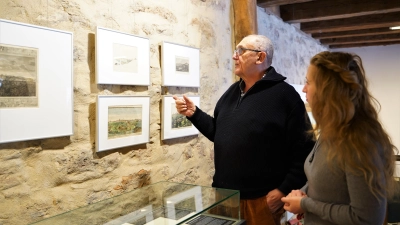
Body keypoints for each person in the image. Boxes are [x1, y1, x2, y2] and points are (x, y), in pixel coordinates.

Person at [173, 34, 315, 225]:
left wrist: (282, 190)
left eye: (241, 51)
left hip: (260, 201)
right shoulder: (232, 92)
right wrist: (194, 113)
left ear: (260, 57)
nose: (234, 56)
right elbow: (220, 133)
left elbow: (305, 150)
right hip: (224, 197)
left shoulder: (285, 96)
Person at [281, 51, 398, 225]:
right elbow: (326, 185)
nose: (304, 88)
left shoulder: (359, 143)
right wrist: (302, 193)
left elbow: (368, 219)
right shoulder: (330, 130)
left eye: (308, 82)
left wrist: (306, 204)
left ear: (327, 90)